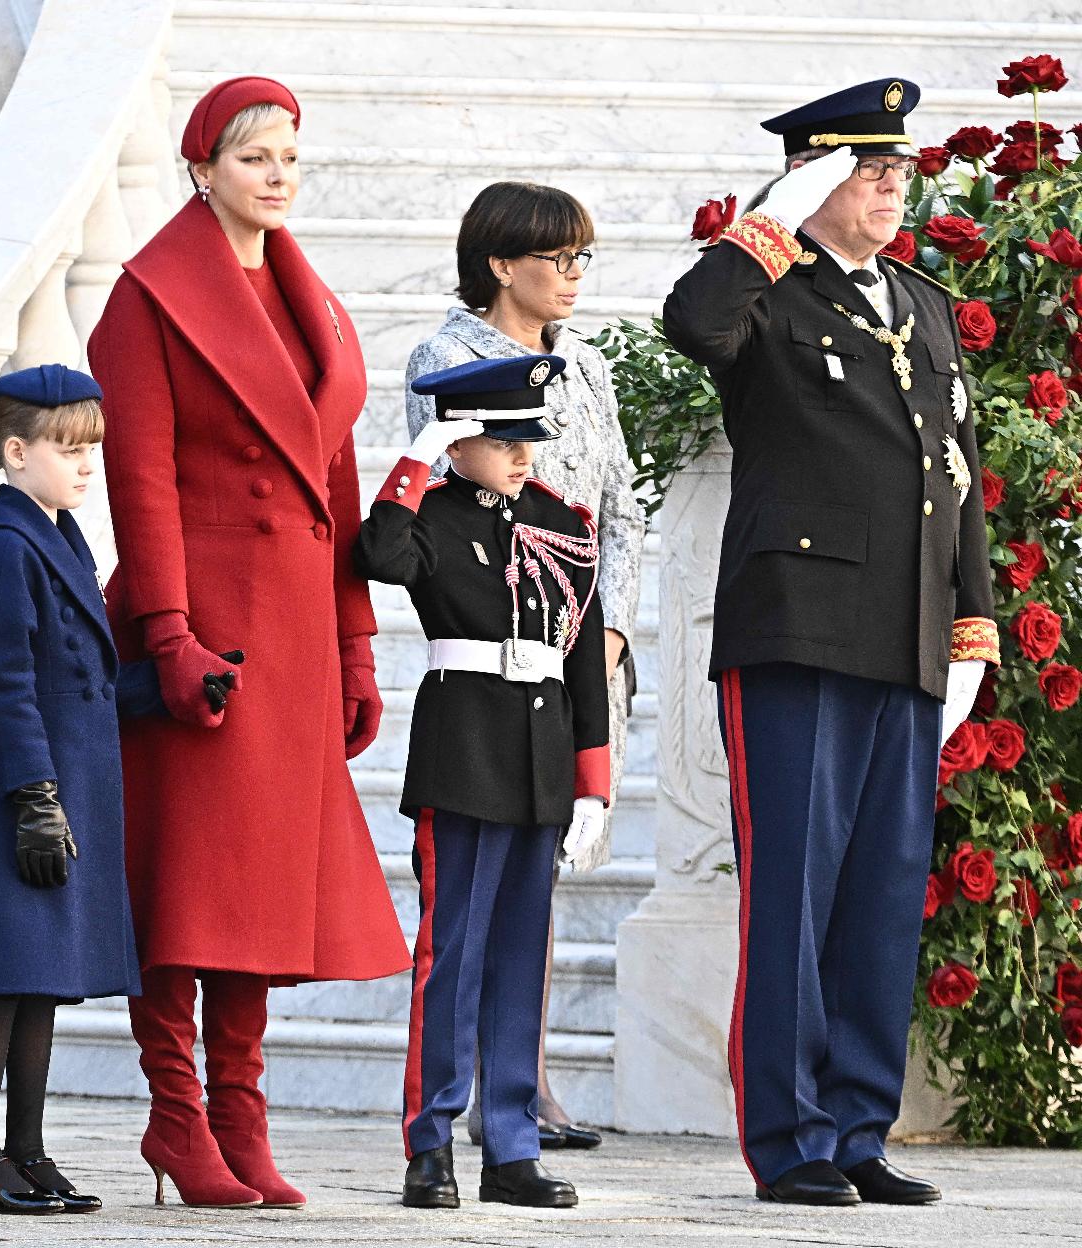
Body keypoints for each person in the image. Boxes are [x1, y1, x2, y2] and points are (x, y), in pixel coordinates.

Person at [660, 79, 999, 1206]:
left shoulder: (921, 302)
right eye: (869, 171)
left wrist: (972, 624)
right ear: (811, 177)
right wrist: (769, 220)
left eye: (901, 173)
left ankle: (858, 1128)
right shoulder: (766, 294)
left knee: (881, 893)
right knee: (795, 892)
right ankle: (791, 1139)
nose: (894, 189)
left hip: (905, 635)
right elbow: (691, 323)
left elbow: (957, 477)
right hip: (799, 630)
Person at [86, 76, 411, 1209]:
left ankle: (241, 1116)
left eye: (288, 158)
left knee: (263, 892)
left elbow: (338, 482)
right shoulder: (146, 302)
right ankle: (178, 1118)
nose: (277, 176)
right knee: (191, 887)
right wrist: (167, 632)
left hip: (296, 634)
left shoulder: (308, 298)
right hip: (207, 627)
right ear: (202, 169)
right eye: (254, 157)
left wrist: (357, 644)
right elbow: (142, 484)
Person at [405, 180, 643, 1150]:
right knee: (471, 899)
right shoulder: (448, 356)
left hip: (576, 646)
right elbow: (437, 497)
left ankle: (521, 1080)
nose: (573, 278)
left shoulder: (585, 366)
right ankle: (457, 1094)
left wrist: (613, 628)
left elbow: (618, 506)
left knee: (537, 880)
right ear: (502, 263)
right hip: (487, 650)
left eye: (584, 259)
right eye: (557, 259)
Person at [0, 364, 176, 1216]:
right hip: (21, 796)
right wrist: (33, 798)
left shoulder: (62, 542)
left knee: (39, 978)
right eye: (68, 450)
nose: (86, 466)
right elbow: (8, 684)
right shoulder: (3, 553)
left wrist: (170, 688)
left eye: (91, 449)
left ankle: (24, 1148)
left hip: (65, 793)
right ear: (16, 453)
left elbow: (82, 679)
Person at [356, 355, 611, 1210]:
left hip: (541, 759)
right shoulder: (427, 511)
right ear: (461, 439)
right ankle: (429, 1142)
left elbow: (585, 665)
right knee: (451, 955)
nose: (524, 455)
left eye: (530, 437)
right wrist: (418, 457)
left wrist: (594, 785)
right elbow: (380, 557)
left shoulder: (562, 523)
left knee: (517, 962)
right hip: (462, 750)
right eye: (503, 439)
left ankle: (510, 1145)